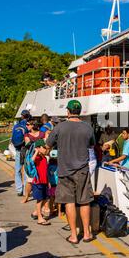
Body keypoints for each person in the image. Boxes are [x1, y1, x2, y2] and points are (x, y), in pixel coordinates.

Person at [46, 100, 96, 244]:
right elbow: (91, 145)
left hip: (65, 171)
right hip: (82, 170)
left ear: (67, 111)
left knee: (69, 202)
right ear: (80, 112)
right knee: (85, 202)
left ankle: (74, 236)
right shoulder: (88, 128)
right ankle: (87, 233)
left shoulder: (60, 127)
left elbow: (48, 145)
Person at [21, 120, 46, 204]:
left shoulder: (42, 133)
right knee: (30, 179)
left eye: (28, 124)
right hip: (34, 157)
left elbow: (29, 145)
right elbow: (29, 146)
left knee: (39, 177)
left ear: (32, 126)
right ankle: (26, 196)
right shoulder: (28, 135)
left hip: (40, 157)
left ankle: (41, 195)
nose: (27, 126)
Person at [30, 139, 51, 226]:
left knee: (45, 198)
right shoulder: (37, 158)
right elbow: (31, 161)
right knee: (39, 200)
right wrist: (36, 152)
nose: (46, 150)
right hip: (38, 182)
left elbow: (45, 171)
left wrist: (48, 181)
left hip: (44, 182)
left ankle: (35, 213)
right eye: (44, 148)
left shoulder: (44, 158)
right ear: (38, 148)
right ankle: (39, 218)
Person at [11, 110, 31, 197]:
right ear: (28, 117)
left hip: (18, 149)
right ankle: (25, 191)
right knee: (26, 170)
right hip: (25, 150)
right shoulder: (27, 125)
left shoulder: (16, 126)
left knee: (17, 170)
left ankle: (19, 189)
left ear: (22, 116)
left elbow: (12, 138)